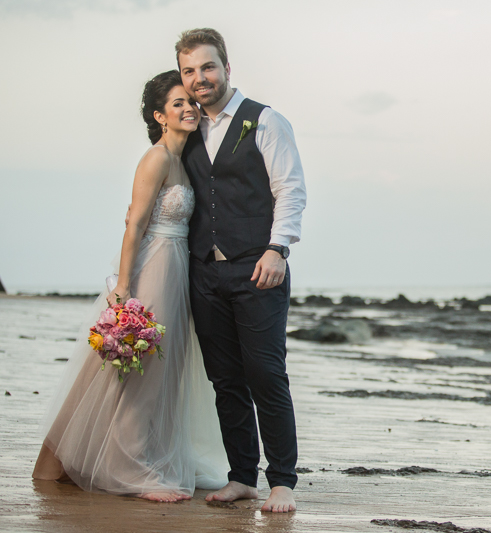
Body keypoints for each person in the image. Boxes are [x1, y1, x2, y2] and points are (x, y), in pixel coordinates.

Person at [32, 70, 229, 502]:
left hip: (179, 268)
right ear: (160, 116)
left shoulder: (186, 158)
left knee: (165, 369)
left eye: (190, 102)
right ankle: (132, 468)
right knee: (140, 367)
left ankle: (146, 453)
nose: (188, 108)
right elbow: (135, 224)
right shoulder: (156, 157)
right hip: (154, 265)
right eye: (177, 103)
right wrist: (123, 288)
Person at [176, 28, 307, 514]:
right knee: (225, 379)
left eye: (207, 67)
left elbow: (289, 189)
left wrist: (279, 249)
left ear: (227, 68)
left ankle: (282, 481)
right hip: (205, 273)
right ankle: (241, 477)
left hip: (258, 268)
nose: (199, 78)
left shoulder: (266, 121)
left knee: (266, 374)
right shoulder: (188, 129)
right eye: (189, 71)